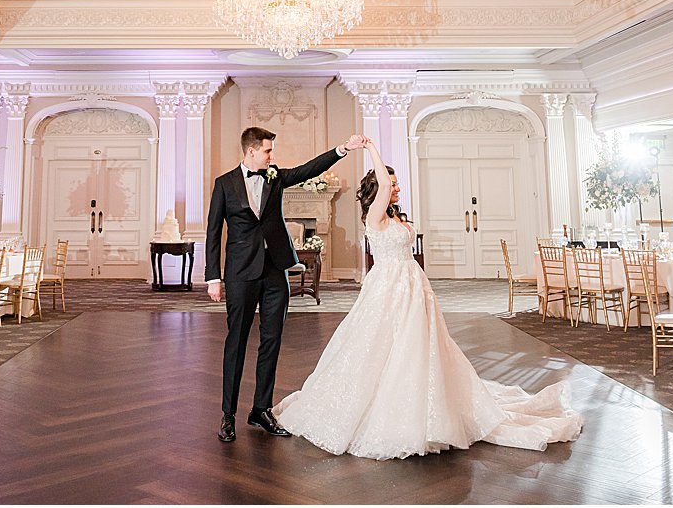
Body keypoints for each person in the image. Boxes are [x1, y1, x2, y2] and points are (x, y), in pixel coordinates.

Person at [272, 136, 584, 459]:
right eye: (391, 185)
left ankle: (427, 406)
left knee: (421, 347)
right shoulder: (375, 216)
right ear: (378, 189)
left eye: (395, 185)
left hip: (413, 286)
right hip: (389, 288)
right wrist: (370, 148)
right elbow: (381, 182)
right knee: (384, 347)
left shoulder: (393, 215)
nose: (395, 189)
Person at [206, 125, 365, 443]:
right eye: (267, 150)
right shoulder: (224, 185)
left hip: (275, 271)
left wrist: (343, 149)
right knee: (236, 343)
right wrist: (213, 277)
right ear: (251, 151)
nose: (271, 156)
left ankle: (261, 410)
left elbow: (308, 170)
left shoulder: (273, 176)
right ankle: (228, 415)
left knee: (272, 340)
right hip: (240, 273)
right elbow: (212, 232)